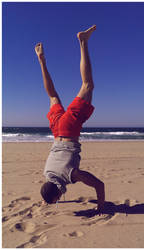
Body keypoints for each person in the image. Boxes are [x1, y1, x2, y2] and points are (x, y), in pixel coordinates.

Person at [35, 25, 105, 215]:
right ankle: (41, 61)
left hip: (69, 129)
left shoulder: (70, 175)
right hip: (57, 131)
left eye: (56, 200)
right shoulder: (47, 174)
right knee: (53, 97)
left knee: (88, 85)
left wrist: (101, 205)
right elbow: (50, 188)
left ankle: (83, 41)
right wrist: (46, 200)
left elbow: (99, 184)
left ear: (58, 193)